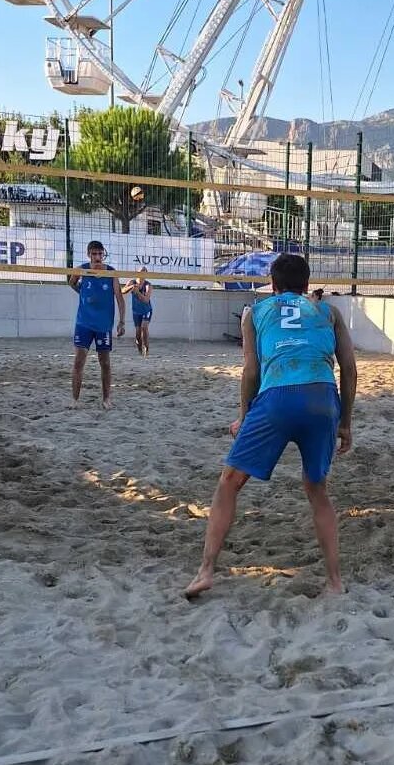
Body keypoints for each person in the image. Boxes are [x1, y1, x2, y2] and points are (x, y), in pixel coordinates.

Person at [186, 252, 357, 600]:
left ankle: (206, 570)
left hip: (277, 396)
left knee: (229, 483)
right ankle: (335, 581)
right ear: (307, 285)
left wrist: (244, 415)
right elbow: (350, 371)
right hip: (322, 399)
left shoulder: (254, 312)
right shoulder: (329, 312)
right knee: (317, 490)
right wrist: (345, 423)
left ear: (273, 285)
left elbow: (251, 371)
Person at [67, 240, 125, 409]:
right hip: (84, 323)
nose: (98, 257)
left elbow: (120, 299)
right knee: (79, 361)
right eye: (94, 254)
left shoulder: (111, 273)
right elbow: (71, 282)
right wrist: (82, 292)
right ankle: (74, 400)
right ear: (89, 255)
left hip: (103, 326)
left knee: (105, 363)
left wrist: (121, 321)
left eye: (100, 254)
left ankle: (106, 399)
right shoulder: (82, 270)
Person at [124, 271, 153, 357]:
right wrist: (131, 288)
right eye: (140, 273)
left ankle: (146, 349)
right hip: (136, 311)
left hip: (146, 310)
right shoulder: (132, 282)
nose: (142, 275)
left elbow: (146, 300)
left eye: (144, 273)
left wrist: (137, 292)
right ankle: (140, 350)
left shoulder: (148, 285)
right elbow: (122, 291)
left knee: (144, 327)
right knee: (138, 334)